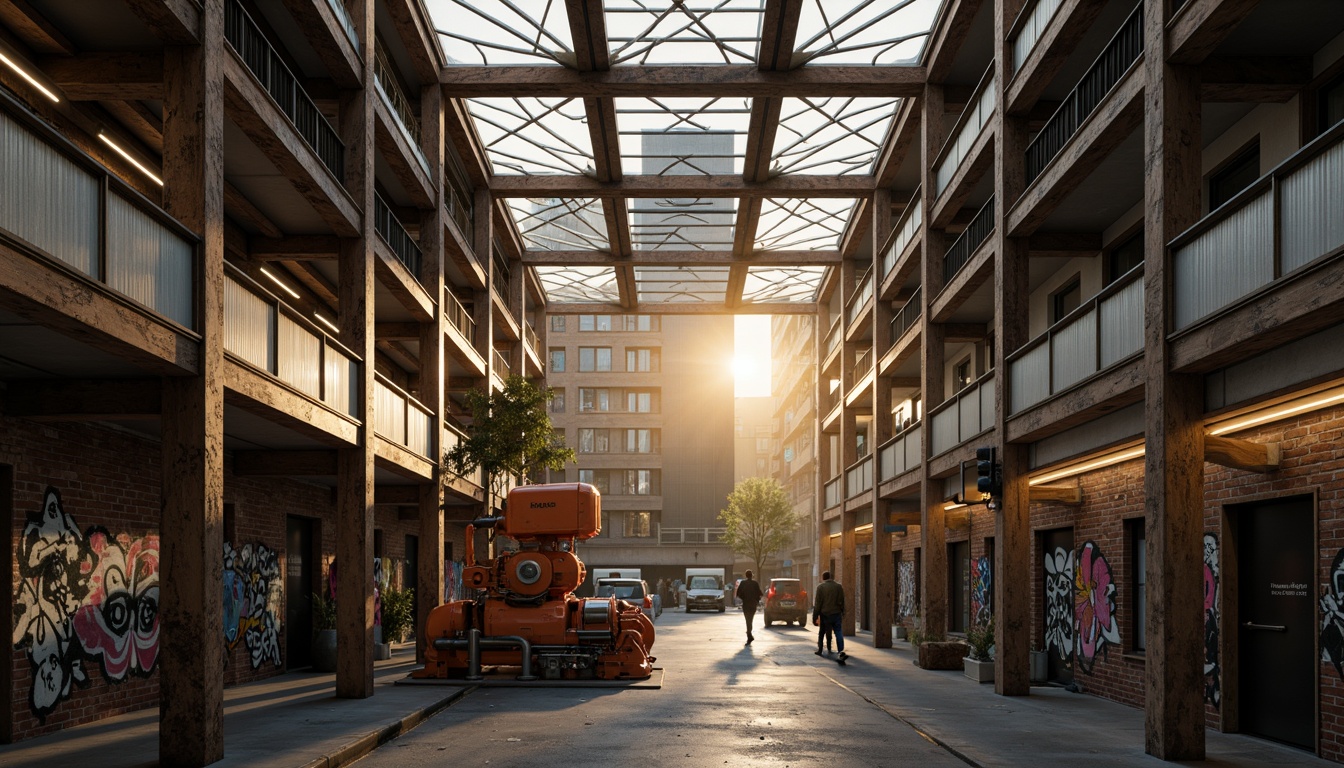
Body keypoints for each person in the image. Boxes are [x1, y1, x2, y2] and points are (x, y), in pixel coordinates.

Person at [812, 571, 847, 664]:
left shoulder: (821, 587)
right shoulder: (838, 587)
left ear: (823, 578)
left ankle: (820, 649)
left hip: (825, 614)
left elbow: (818, 603)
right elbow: (842, 600)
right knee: (838, 632)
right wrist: (843, 611)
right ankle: (840, 651)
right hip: (836, 613)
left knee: (822, 632)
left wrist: (815, 616)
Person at [734, 570, 763, 645]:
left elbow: (738, 593)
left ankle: (749, 633)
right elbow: (760, 593)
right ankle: (749, 632)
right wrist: (757, 599)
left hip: (746, 603)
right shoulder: (755, 583)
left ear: (746, 575)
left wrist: (743, 598)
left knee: (747, 619)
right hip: (753, 603)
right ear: (752, 575)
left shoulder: (743, 583)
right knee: (751, 618)